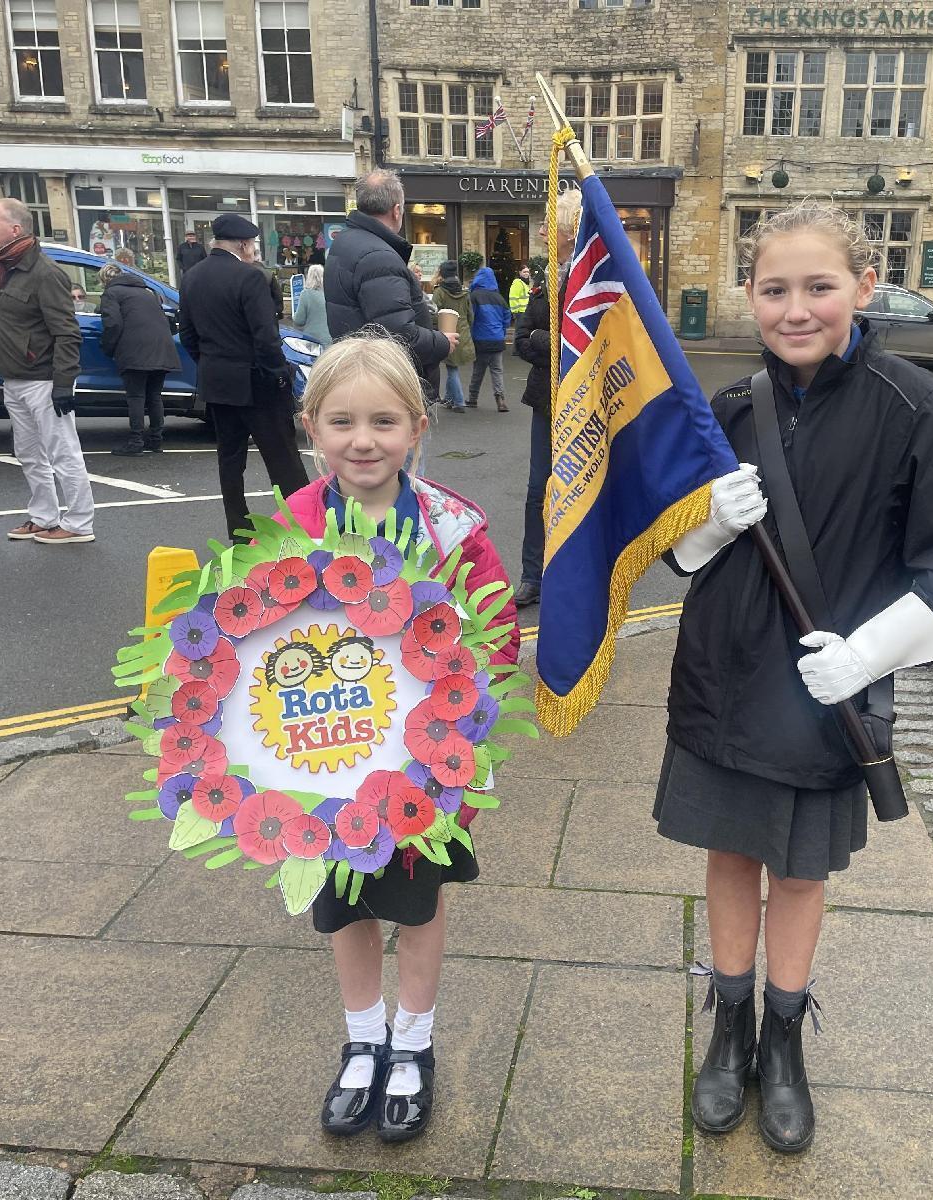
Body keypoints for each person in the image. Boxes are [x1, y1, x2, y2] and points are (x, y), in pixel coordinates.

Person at [660, 201, 933, 1155]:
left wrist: (868, 654)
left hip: (823, 694)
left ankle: (783, 1039)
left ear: (863, 285)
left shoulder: (915, 406)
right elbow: (673, 558)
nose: (796, 308)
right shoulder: (728, 409)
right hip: (723, 676)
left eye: (819, 286)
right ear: (750, 294)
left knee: (800, 871)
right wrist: (709, 522)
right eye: (775, 289)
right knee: (730, 855)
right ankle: (728, 1029)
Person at [273, 334, 518, 1144]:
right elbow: (257, 636)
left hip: (426, 770)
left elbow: (498, 632)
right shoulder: (293, 526)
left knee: (417, 902)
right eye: (342, 422)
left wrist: (467, 690)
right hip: (327, 764)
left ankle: (412, 1043)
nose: (363, 440)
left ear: (417, 426)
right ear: (311, 426)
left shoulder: (451, 530)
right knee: (344, 904)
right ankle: (363, 1039)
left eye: (383, 421)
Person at [178, 213, 308, 540]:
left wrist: (210, 364)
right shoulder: (249, 278)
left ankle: (238, 530)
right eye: (252, 246)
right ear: (243, 245)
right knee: (283, 460)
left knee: (230, 461)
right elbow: (266, 337)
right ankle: (302, 528)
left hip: (218, 382)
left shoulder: (192, 277)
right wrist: (279, 375)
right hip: (257, 382)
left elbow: (188, 334)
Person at [0, 197, 93, 545]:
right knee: (29, 455)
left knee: (63, 453)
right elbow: (8, 319)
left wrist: (63, 384)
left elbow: (67, 332)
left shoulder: (45, 273)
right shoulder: (1, 268)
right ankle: (44, 516)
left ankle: (79, 523)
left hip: (43, 380)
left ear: (15, 229)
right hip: (13, 377)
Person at [511, 188, 582, 608]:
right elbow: (521, 340)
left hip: (583, 402)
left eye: (547, 224)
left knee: (582, 489)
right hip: (545, 401)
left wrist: (545, 340)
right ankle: (532, 576)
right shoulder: (545, 279)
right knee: (538, 489)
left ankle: (577, 575)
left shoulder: (588, 280)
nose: (539, 231)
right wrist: (546, 340)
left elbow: (581, 344)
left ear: (569, 231)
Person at [324, 170, 454, 400]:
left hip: (360, 373)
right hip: (388, 384)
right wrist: (443, 342)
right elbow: (400, 336)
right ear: (396, 210)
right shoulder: (379, 256)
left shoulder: (346, 241)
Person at [98, 262, 179, 456]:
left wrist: (107, 348)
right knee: (154, 396)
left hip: (134, 350)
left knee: (136, 396)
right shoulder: (147, 292)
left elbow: (113, 324)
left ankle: (136, 442)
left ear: (104, 280)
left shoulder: (111, 293)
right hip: (162, 348)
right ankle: (156, 440)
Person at [467, 264, 511, 412]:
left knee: (478, 371)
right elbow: (507, 318)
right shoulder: (499, 297)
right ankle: (500, 400)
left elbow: (471, 317)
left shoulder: (474, 296)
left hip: (480, 338)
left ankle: (473, 398)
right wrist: (501, 331)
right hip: (497, 339)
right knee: (497, 371)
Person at [430, 260, 473, 413]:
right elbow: (470, 315)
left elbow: (433, 314)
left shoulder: (440, 292)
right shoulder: (465, 292)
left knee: (451, 368)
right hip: (463, 333)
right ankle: (449, 398)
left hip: (447, 333)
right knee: (452, 366)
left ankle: (459, 402)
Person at [291, 263, 333, 348]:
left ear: (309, 277)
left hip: (312, 340)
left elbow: (299, 320)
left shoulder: (306, 294)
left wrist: (294, 316)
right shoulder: (330, 293)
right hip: (329, 338)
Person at [241, 238, 285, 317]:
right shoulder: (268, 274)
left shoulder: (239, 272)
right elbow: (278, 297)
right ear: (258, 258)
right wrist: (276, 311)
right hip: (266, 313)